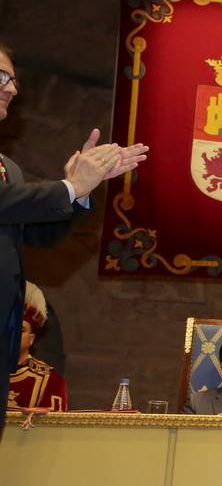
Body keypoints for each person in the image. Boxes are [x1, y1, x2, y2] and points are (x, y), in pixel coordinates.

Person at [0, 42, 149, 439]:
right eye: (1, 77)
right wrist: (67, 186)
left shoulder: (8, 168)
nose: (11, 90)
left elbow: (41, 236)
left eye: (13, 81)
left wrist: (82, 191)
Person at [6, 282, 68, 413]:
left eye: (21, 330)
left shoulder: (50, 379)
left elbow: (55, 428)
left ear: (31, 339)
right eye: (9, 329)